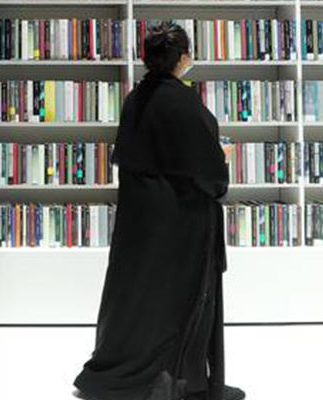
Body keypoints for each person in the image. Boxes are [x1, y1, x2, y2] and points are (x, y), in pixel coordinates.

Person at [73, 22, 245, 400]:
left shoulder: (136, 98)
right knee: (185, 303)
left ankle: (124, 374)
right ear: (182, 57)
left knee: (136, 299)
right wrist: (221, 158)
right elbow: (209, 173)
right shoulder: (183, 102)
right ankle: (186, 382)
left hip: (140, 223)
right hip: (181, 225)